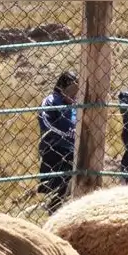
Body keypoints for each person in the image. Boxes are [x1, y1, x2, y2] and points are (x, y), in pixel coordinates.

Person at [37, 71, 79, 214]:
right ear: (62, 87)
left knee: (71, 179)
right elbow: (46, 123)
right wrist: (65, 133)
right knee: (55, 183)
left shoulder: (75, 106)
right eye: (72, 90)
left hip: (71, 149)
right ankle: (52, 207)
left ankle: (58, 207)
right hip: (54, 147)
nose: (75, 94)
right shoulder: (51, 101)